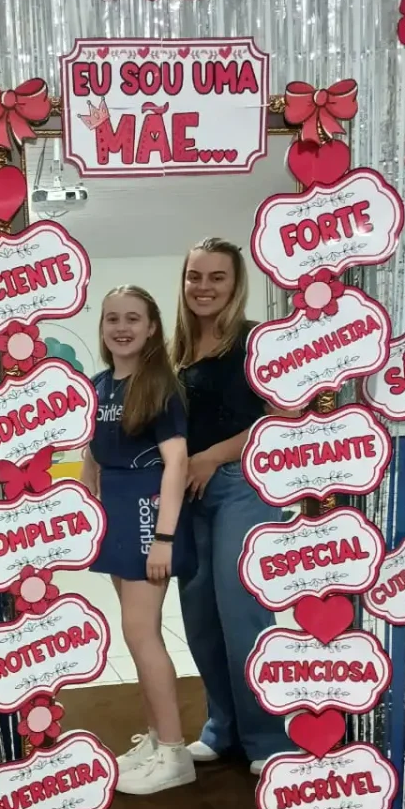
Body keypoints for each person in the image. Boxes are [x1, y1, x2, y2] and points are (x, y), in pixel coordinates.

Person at [172, 237, 289, 775]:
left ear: (235, 284)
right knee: (199, 617)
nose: (204, 287)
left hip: (242, 485)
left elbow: (281, 416)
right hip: (186, 495)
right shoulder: (174, 351)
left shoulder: (256, 341)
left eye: (216, 277)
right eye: (195, 276)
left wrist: (212, 457)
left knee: (242, 613)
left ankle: (267, 736)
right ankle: (222, 728)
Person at [81, 285, 196, 796]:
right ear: (102, 327)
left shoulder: (160, 387)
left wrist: (164, 537)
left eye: (133, 318)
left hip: (149, 512)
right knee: (136, 634)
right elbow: (92, 454)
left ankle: (174, 753)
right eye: (112, 319)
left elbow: (177, 463)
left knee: (142, 632)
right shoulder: (99, 385)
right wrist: (85, 499)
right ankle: (155, 739)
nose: (121, 327)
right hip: (115, 512)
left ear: (152, 328)